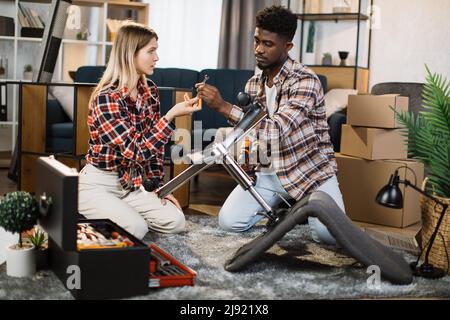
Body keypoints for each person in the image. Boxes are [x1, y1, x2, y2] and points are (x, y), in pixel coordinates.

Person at [196, 6, 346, 245]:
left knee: (329, 236)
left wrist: (222, 107)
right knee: (229, 222)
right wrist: (247, 160)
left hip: (310, 173)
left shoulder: (305, 81)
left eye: (267, 44)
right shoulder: (254, 84)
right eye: (256, 41)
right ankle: (289, 211)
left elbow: (275, 131)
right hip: (269, 172)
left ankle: (298, 210)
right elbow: (248, 135)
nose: (258, 49)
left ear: (287, 47)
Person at [78, 22, 201, 240]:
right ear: (130, 54)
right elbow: (137, 151)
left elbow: (153, 151)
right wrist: (171, 115)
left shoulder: (149, 91)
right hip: (99, 184)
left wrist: (159, 189)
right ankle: (94, 216)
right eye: (151, 51)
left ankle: (119, 215)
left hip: (131, 185)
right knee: (137, 228)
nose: (157, 58)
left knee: (176, 221)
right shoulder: (106, 98)